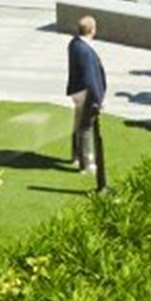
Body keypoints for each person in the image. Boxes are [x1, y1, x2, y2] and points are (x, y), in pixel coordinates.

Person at [67, 18, 107, 191]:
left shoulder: (74, 44)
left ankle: (76, 156)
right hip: (86, 94)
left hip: (77, 91)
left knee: (78, 124)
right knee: (86, 127)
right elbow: (91, 78)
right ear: (92, 29)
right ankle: (86, 163)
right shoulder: (86, 51)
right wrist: (98, 99)